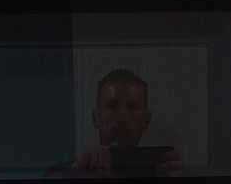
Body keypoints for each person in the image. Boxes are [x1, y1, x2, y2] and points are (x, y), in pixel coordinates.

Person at [55, 69, 184, 177]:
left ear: (147, 120)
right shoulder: (78, 172)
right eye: (112, 106)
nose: (122, 117)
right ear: (95, 118)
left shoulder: (162, 172)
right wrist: (73, 176)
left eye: (132, 107)